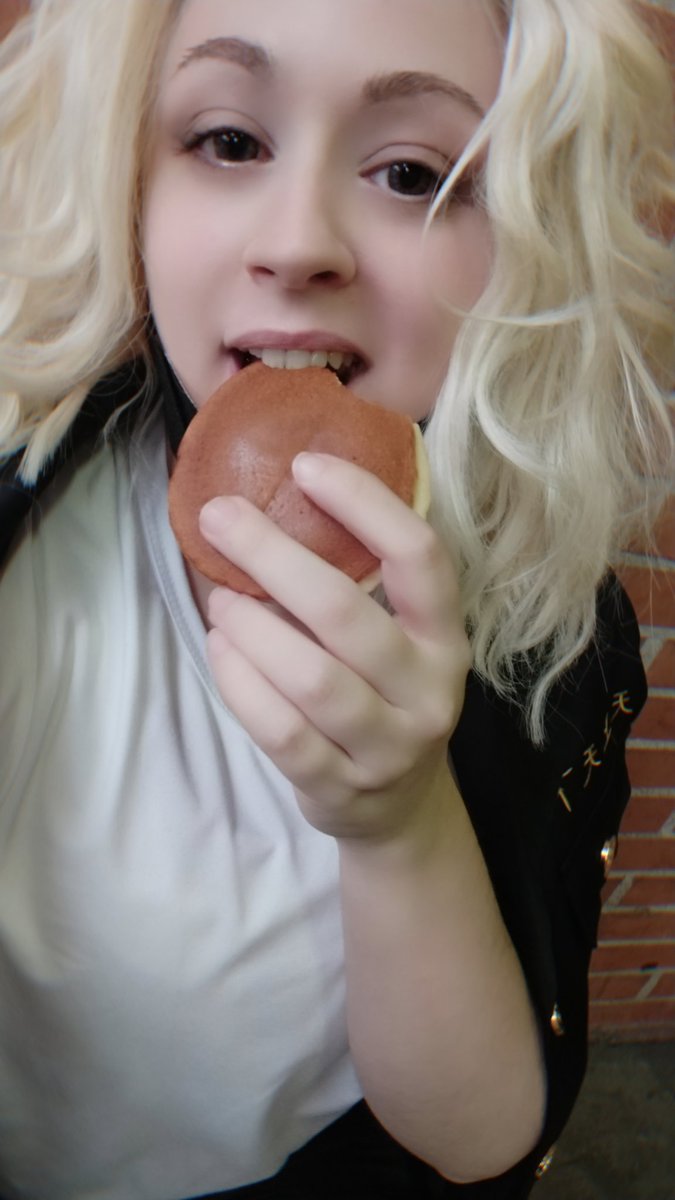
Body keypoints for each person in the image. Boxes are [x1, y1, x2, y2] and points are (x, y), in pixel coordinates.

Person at [0, 1, 673, 1198]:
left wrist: (397, 822)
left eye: (412, 173)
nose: (298, 241)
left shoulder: (557, 639)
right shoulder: (27, 505)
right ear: (132, 180)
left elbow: (477, 1142)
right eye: (228, 142)